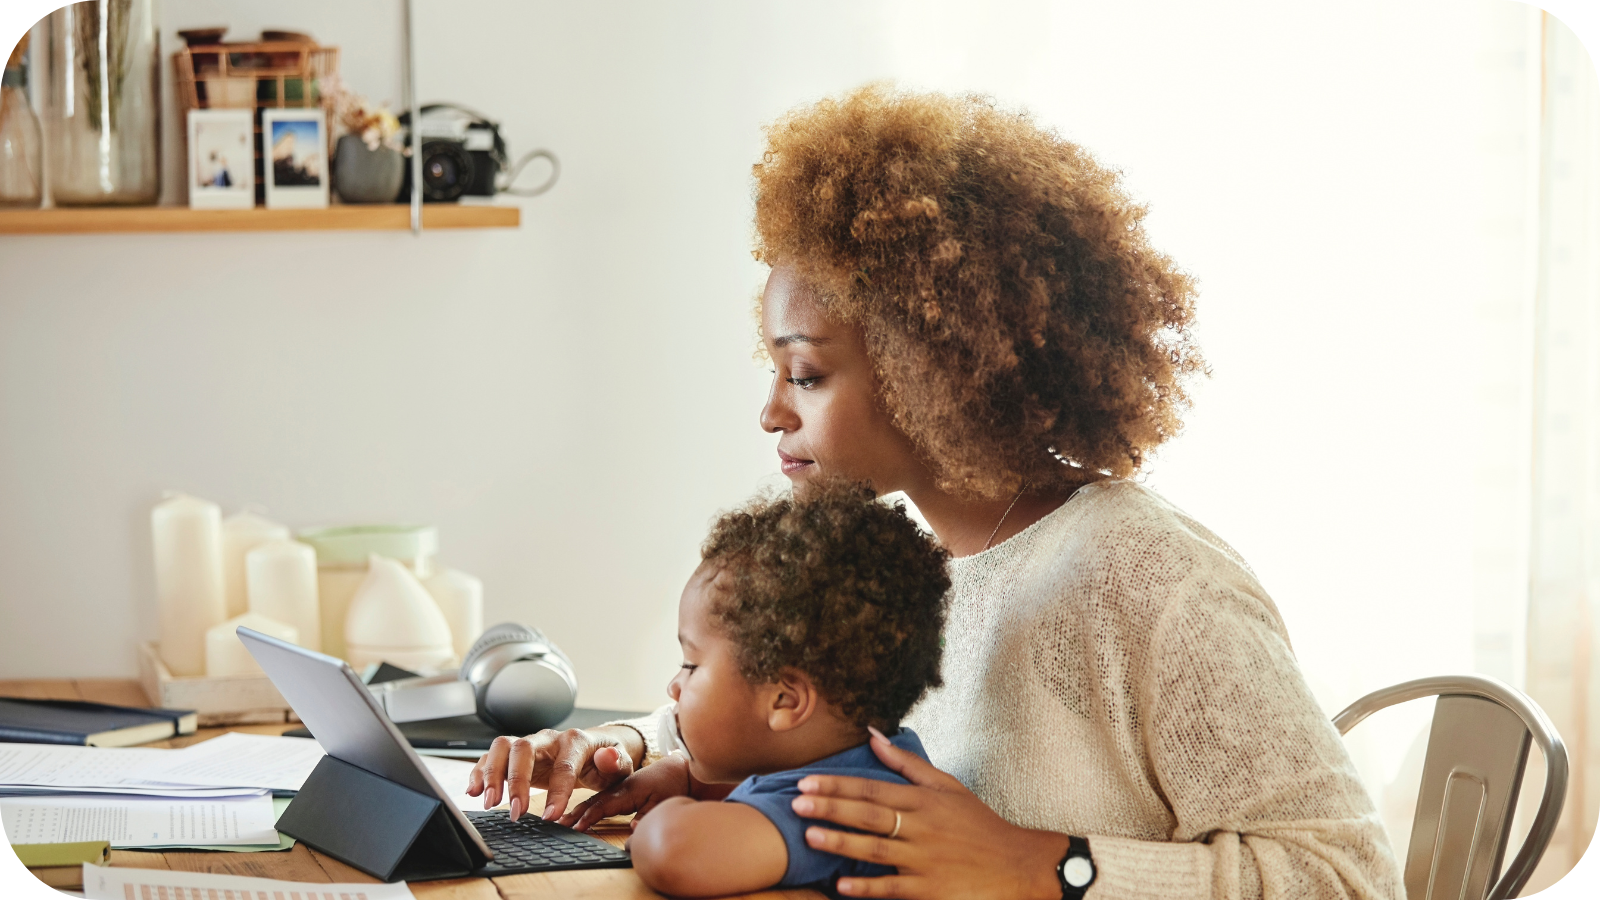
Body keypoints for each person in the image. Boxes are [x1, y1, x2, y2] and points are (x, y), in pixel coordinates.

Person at [467, 84, 1403, 900]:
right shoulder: (911, 562)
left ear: (934, 367)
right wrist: (626, 750)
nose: (771, 414)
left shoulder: (1148, 578)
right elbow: (792, 706)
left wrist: (1052, 869)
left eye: (807, 375)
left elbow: (1352, 878)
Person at [615, 479, 951, 896]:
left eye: (691, 664)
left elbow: (676, 850)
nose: (674, 687)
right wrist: (688, 781)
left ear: (785, 700)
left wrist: (665, 819)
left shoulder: (838, 803)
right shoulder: (883, 762)